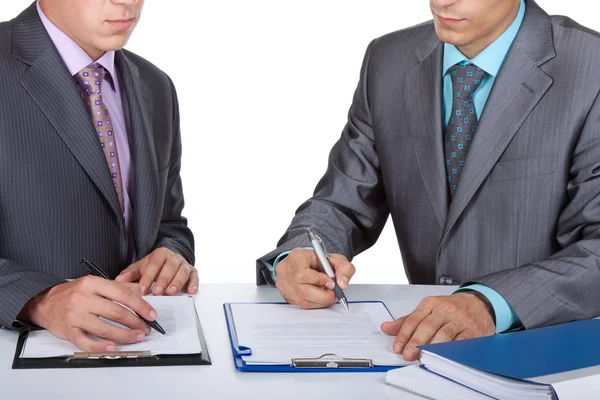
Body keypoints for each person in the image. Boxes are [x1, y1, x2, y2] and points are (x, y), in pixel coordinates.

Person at [257, 0, 600, 361]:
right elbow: (343, 200)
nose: (440, 1)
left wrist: (489, 303)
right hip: (418, 355)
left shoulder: (590, 68)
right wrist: (301, 255)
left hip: (553, 358)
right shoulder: (388, 59)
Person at [0, 0, 196, 353]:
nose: (127, 2)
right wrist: (39, 300)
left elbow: (169, 222)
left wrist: (171, 253)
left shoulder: (156, 85)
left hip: (143, 356)